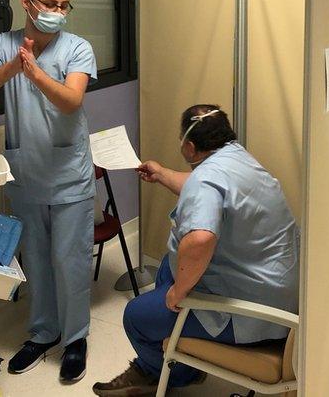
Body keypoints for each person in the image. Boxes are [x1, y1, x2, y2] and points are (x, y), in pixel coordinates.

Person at [92, 105, 300, 397]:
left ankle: (174, 373)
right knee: (167, 266)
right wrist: (162, 173)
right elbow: (203, 184)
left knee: (136, 316)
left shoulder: (206, 179)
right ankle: (178, 345)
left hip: (254, 315)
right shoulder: (239, 159)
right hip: (277, 288)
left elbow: (201, 238)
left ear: (189, 146)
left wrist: (179, 291)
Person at [0, 0, 97, 383]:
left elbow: (72, 101)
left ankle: (75, 338)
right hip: (25, 173)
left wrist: (35, 72)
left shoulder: (77, 48)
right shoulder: (0, 45)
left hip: (68, 175)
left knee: (69, 259)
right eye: (50, 4)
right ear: (27, 3)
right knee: (37, 260)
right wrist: (12, 67)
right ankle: (42, 333)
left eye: (64, 5)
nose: (58, 12)